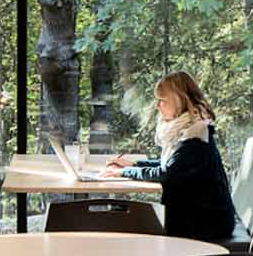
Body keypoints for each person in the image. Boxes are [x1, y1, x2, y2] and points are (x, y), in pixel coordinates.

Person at [100, 71, 238, 241]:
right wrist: (134, 164)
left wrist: (124, 172)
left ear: (177, 100)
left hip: (206, 223)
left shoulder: (196, 135)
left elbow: (168, 173)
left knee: (124, 227)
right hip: (197, 216)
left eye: (162, 100)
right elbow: (174, 164)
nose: (158, 106)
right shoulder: (189, 128)